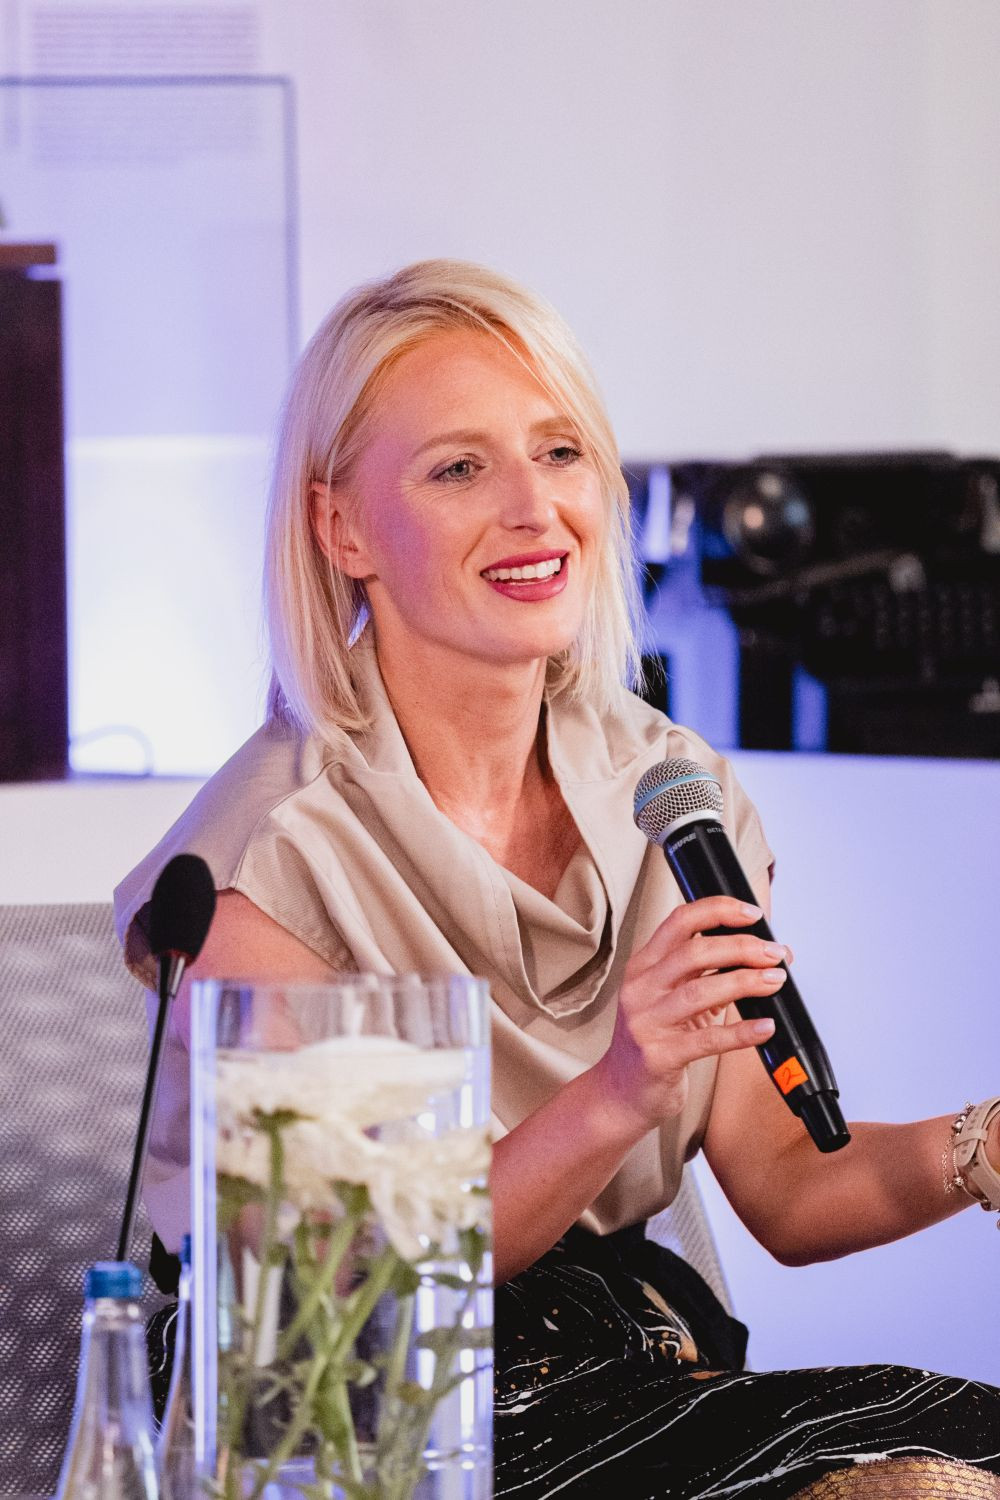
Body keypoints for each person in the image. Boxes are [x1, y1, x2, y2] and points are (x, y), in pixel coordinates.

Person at [115, 260, 1000, 1498]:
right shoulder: (266, 857)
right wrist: (622, 1088)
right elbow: (377, 1278)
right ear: (341, 529)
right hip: (342, 1407)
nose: (536, 509)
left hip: (613, 1360)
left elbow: (790, 1192)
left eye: (560, 452)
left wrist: (977, 1149)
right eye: (459, 469)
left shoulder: (666, 788)